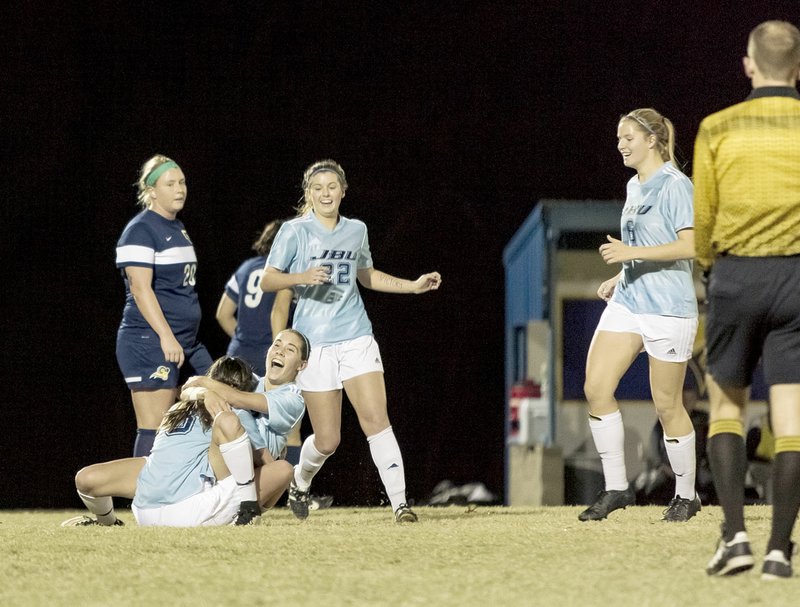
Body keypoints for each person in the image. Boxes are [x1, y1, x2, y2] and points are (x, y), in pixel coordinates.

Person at [260, 159, 442, 523]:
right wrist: (302, 277)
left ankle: (400, 505)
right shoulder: (294, 232)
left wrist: (413, 285)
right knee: (328, 441)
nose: (325, 193)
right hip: (314, 346)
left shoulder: (357, 229)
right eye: (318, 188)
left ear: (343, 191)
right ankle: (301, 480)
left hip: (357, 337)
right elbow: (268, 280)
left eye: (332, 187)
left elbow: (366, 275)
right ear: (308, 194)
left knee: (377, 419)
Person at [694, 20, 800, 580]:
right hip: (797, 281)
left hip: (735, 277)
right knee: (792, 422)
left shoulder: (716, 128)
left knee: (726, 410)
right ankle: (780, 550)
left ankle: (734, 536)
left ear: (749, 66)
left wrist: (712, 270)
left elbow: (704, 219)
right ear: (798, 68)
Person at [579, 108, 699, 523]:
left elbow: (691, 246)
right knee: (596, 386)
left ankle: (687, 495)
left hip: (668, 309)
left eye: (628, 136)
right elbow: (643, 244)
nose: (621, 144)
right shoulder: (634, 185)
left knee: (666, 404)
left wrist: (631, 255)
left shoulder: (676, 185)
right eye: (618, 137)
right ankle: (616, 488)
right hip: (630, 301)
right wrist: (621, 273)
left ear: (652, 139)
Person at [62, 330, 309, 527]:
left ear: (301, 364)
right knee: (280, 469)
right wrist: (204, 391)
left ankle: (107, 522)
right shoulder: (244, 384)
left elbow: (230, 396)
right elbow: (194, 387)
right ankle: (247, 509)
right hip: (200, 493)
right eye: (277, 344)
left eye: (290, 349)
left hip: (147, 503)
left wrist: (206, 388)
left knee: (88, 478)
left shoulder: (292, 398)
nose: (280, 351)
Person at [115, 155, 213, 457]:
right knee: (153, 427)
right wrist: (166, 336)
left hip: (186, 342)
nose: (179, 189)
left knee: (224, 399)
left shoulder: (178, 226)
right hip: (150, 340)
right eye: (170, 183)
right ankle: (142, 499)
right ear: (152, 190)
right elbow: (141, 290)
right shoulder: (141, 230)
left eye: (182, 182)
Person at [215, 219, 293, 376]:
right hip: (268, 355)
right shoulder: (287, 272)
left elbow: (223, 314)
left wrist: (245, 340)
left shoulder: (246, 268)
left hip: (237, 353)